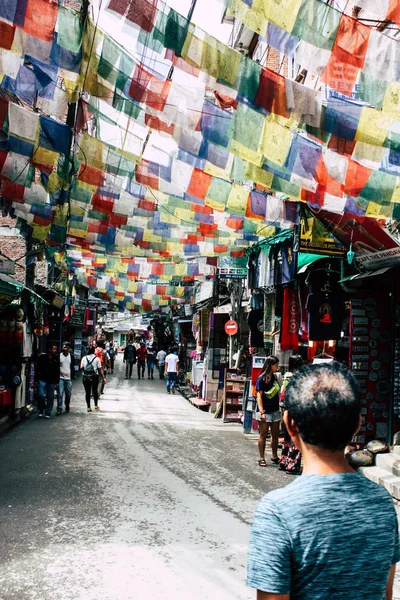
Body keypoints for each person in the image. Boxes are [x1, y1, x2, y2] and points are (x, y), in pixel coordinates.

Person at [247, 362, 400, 600]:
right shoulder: (381, 503)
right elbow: (386, 593)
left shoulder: (277, 510)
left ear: (290, 424)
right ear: (357, 425)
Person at [279, 354, 304, 473]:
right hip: (298, 410)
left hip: (287, 410)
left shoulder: (288, 376)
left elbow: (282, 394)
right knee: (296, 437)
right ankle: (292, 464)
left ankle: (284, 461)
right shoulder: (302, 378)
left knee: (288, 437)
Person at [255, 356, 281, 466]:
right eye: (276, 365)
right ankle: (261, 457)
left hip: (275, 409)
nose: (277, 367)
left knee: (275, 434)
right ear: (270, 365)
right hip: (265, 410)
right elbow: (259, 395)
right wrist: (262, 411)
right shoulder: (261, 379)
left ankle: (274, 456)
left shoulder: (275, 377)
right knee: (263, 434)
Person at [36, 343, 60, 419]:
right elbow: (38, 368)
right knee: (41, 395)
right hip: (42, 379)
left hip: (51, 380)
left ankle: (48, 412)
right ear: (49, 349)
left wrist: (57, 381)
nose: (55, 350)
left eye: (56, 349)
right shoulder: (42, 357)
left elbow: (57, 370)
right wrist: (36, 379)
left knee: (50, 397)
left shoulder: (56, 358)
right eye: (54, 349)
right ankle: (41, 409)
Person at [80, 347, 106, 412]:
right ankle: (96, 405)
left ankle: (88, 407)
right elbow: (100, 369)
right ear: (93, 351)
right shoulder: (97, 359)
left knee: (87, 392)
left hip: (86, 377)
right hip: (94, 377)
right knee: (94, 391)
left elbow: (81, 367)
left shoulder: (84, 358)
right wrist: (103, 378)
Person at [57, 342, 76, 415]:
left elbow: (72, 366)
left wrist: (73, 375)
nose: (64, 348)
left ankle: (67, 404)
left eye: (65, 347)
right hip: (60, 378)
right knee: (60, 394)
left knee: (68, 394)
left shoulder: (71, 356)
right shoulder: (59, 356)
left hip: (68, 379)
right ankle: (59, 408)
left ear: (68, 348)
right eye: (63, 347)